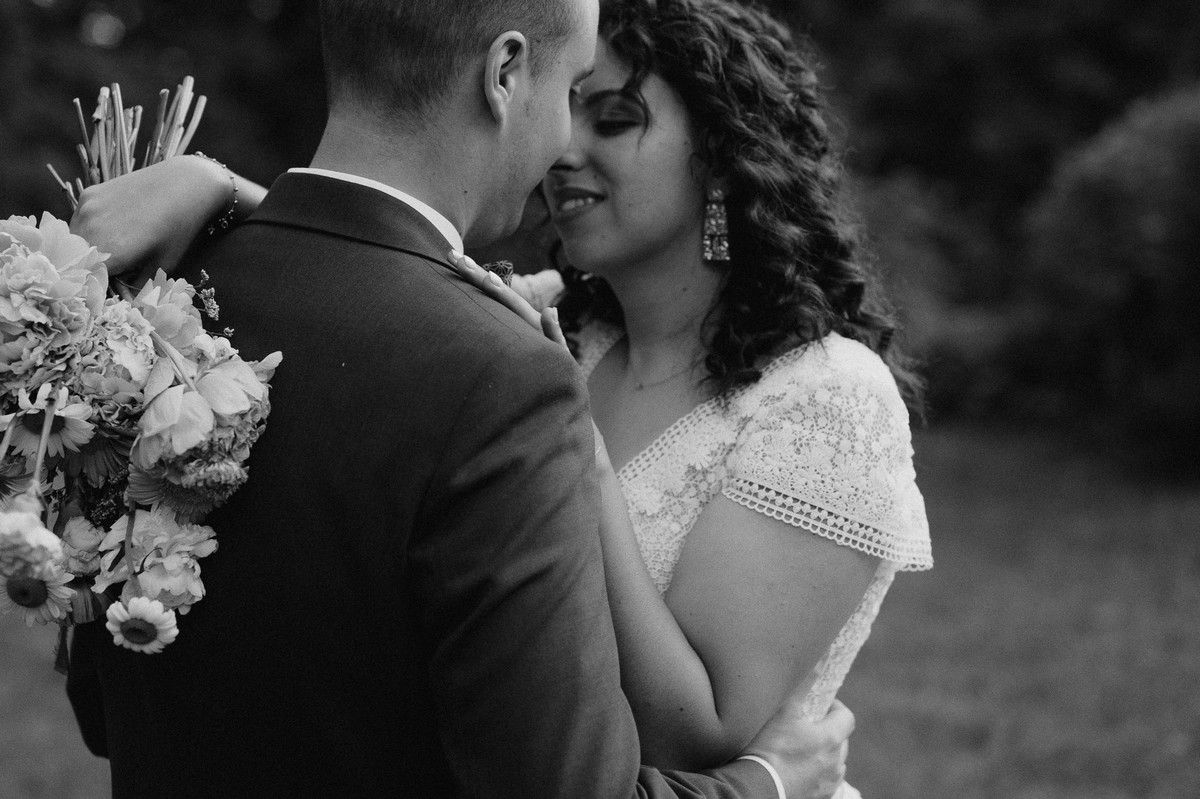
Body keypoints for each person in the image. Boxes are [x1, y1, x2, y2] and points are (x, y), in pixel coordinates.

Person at [64, 0, 857, 797]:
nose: (563, 148)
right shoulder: (514, 364)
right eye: (571, 92)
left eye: (612, 115)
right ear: (504, 73)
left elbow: (101, 702)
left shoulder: (153, 315)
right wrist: (770, 784)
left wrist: (222, 189)